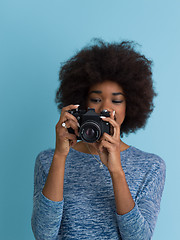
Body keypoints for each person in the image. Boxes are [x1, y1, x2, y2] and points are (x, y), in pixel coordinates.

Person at [31, 39, 166, 240]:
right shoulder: (47, 160)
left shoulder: (151, 166)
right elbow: (44, 234)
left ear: (131, 106)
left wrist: (116, 171)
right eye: (95, 99)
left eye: (116, 100)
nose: (105, 107)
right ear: (82, 103)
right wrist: (60, 156)